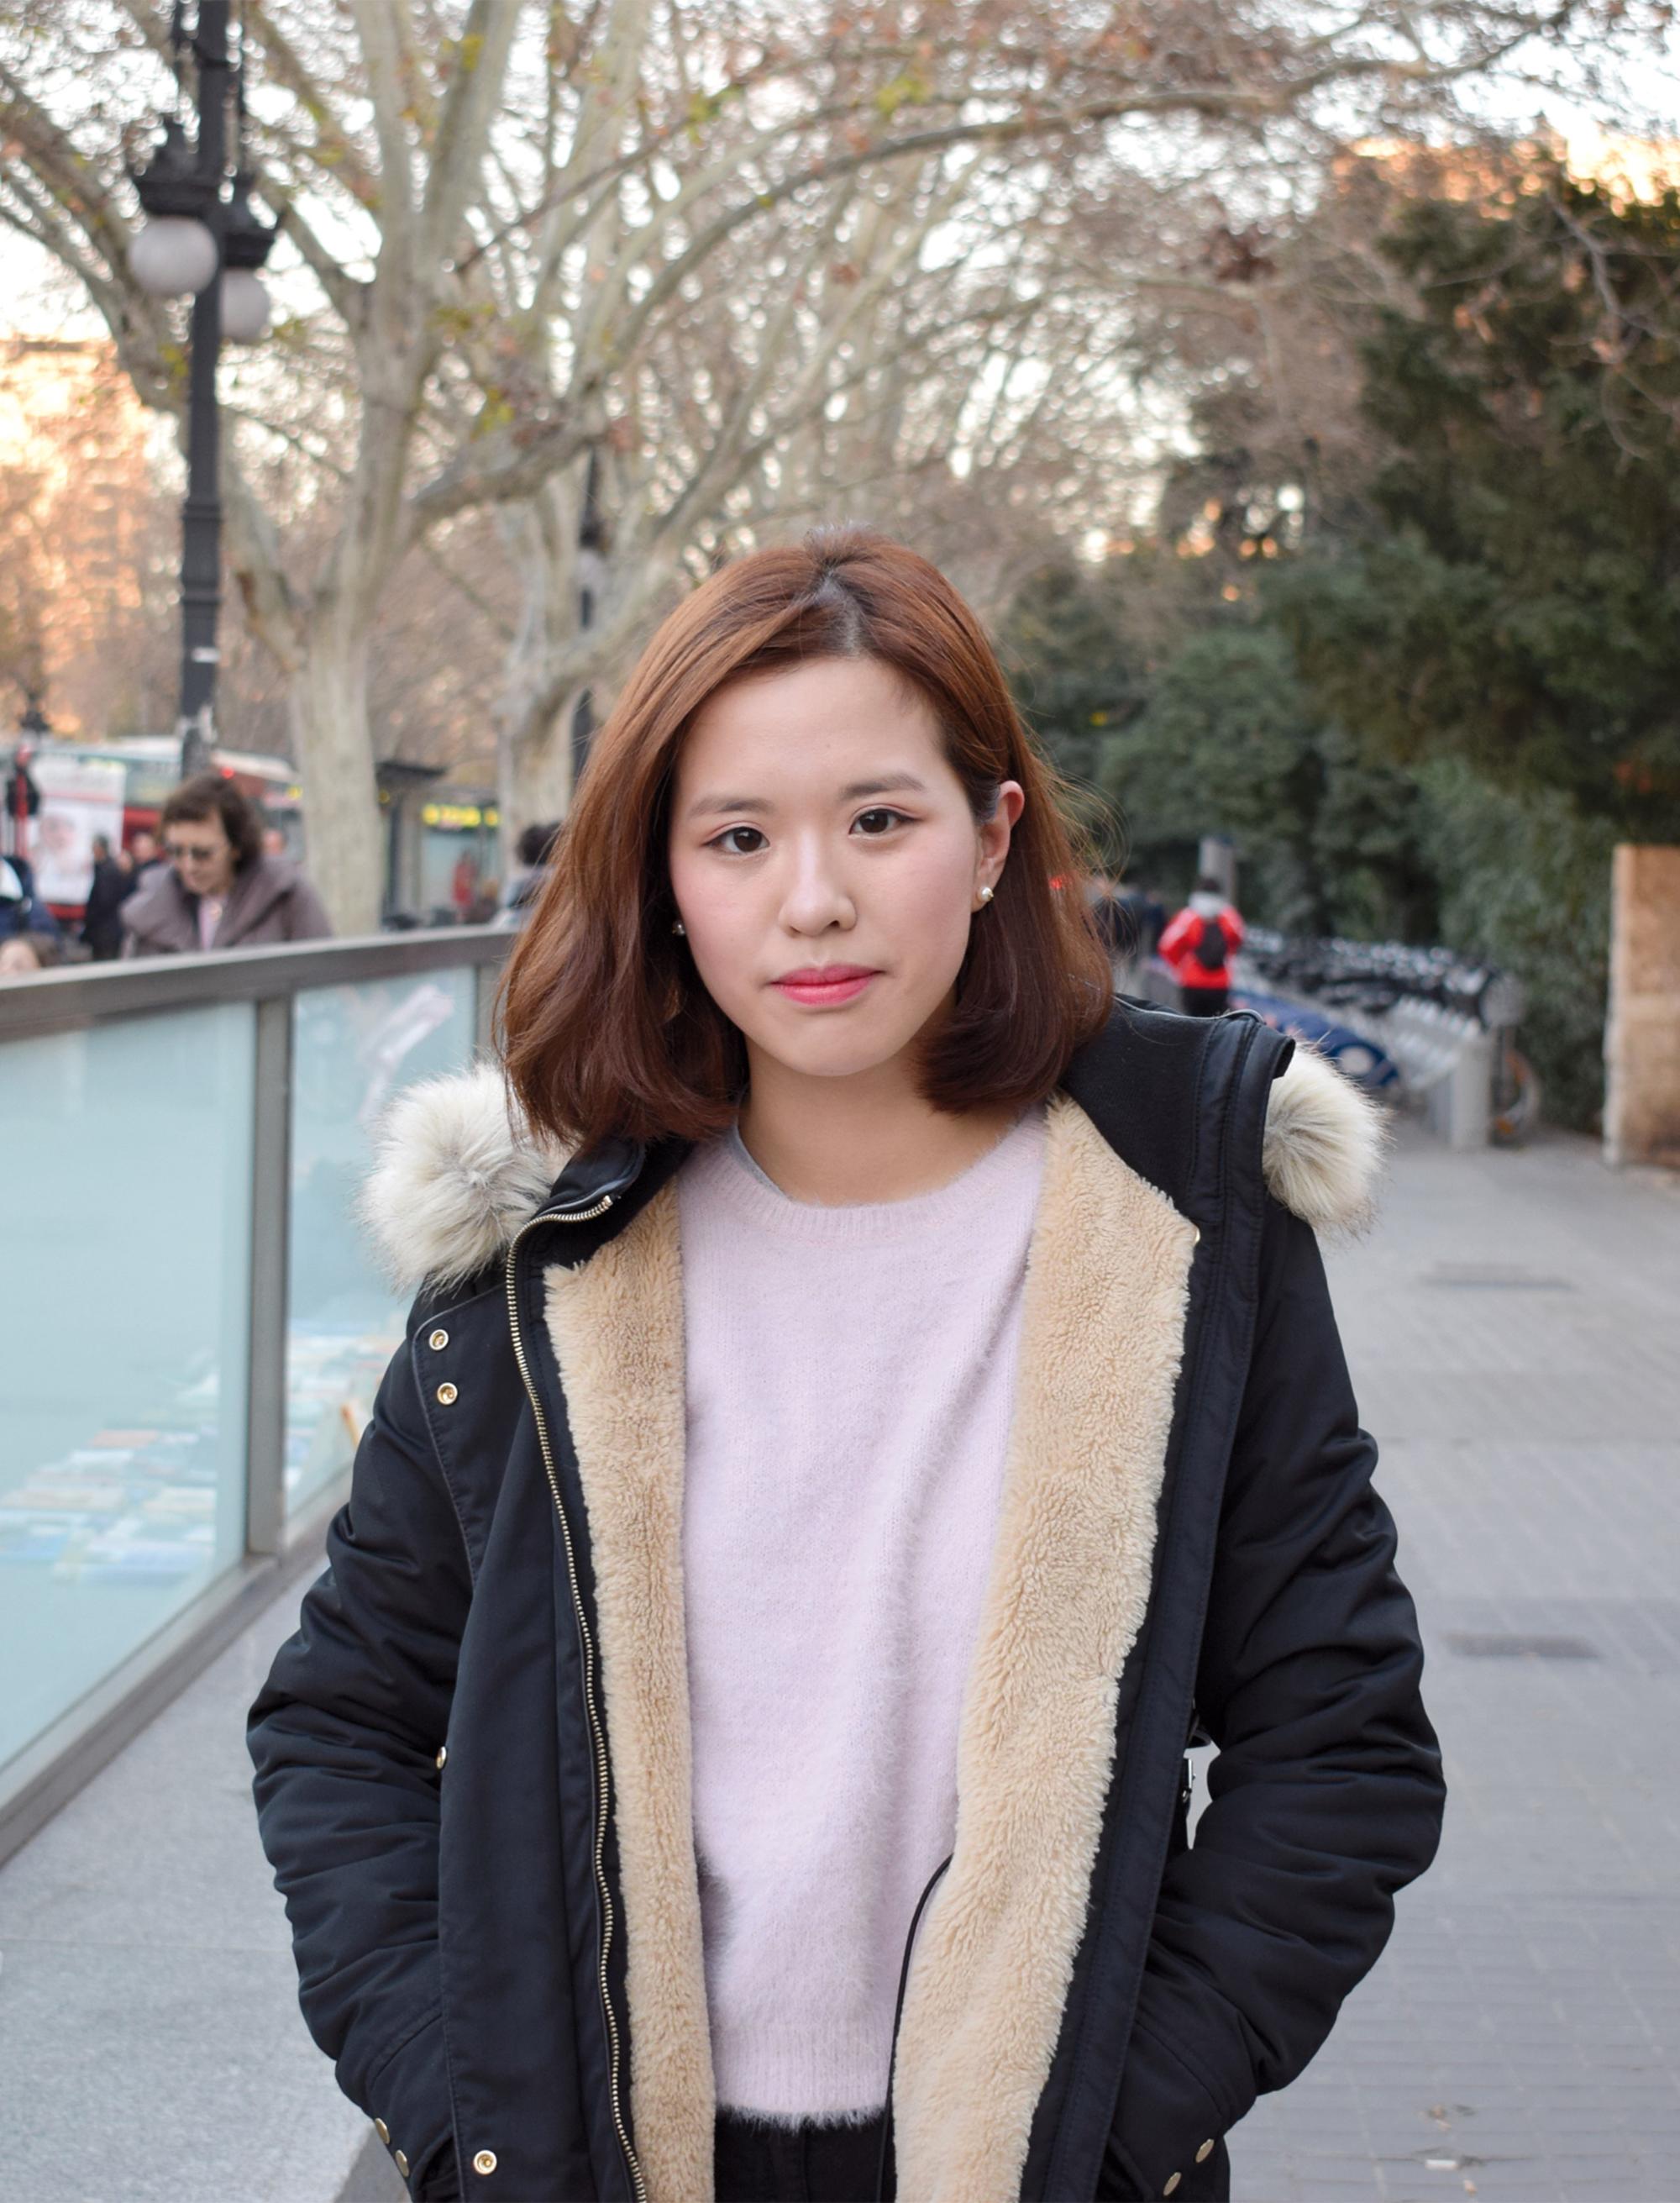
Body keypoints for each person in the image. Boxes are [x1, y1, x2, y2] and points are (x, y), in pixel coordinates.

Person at [249, 528, 1441, 2203]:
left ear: (991, 838)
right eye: (738, 836)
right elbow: (341, 1725)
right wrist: (465, 2115)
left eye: (880, 819)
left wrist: (1110, 2128)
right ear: (665, 877)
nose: (812, 897)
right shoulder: (544, 1251)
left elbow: (1340, 1744)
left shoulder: (1180, 1223)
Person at [121, 774, 333, 955]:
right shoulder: (153, 904)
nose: (189, 866)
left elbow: (323, 976)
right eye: (176, 852)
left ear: (235, 847)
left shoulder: (286, 895)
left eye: (203, 853)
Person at [1159, 874, 1245, 1017]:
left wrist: (1179, 967)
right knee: (1217, 1023)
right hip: (1220, 982)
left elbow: (1167, 945)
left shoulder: (1187, 916)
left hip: (1191, 980)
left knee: (1192, 1023)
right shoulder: (1230, 916)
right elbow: (1239, 940)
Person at [79, 833, 134, 960]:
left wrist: (91, 918)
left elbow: (104, 902)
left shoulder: (107, 871)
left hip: (105, 931)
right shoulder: (105, 868)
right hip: (104, 929)